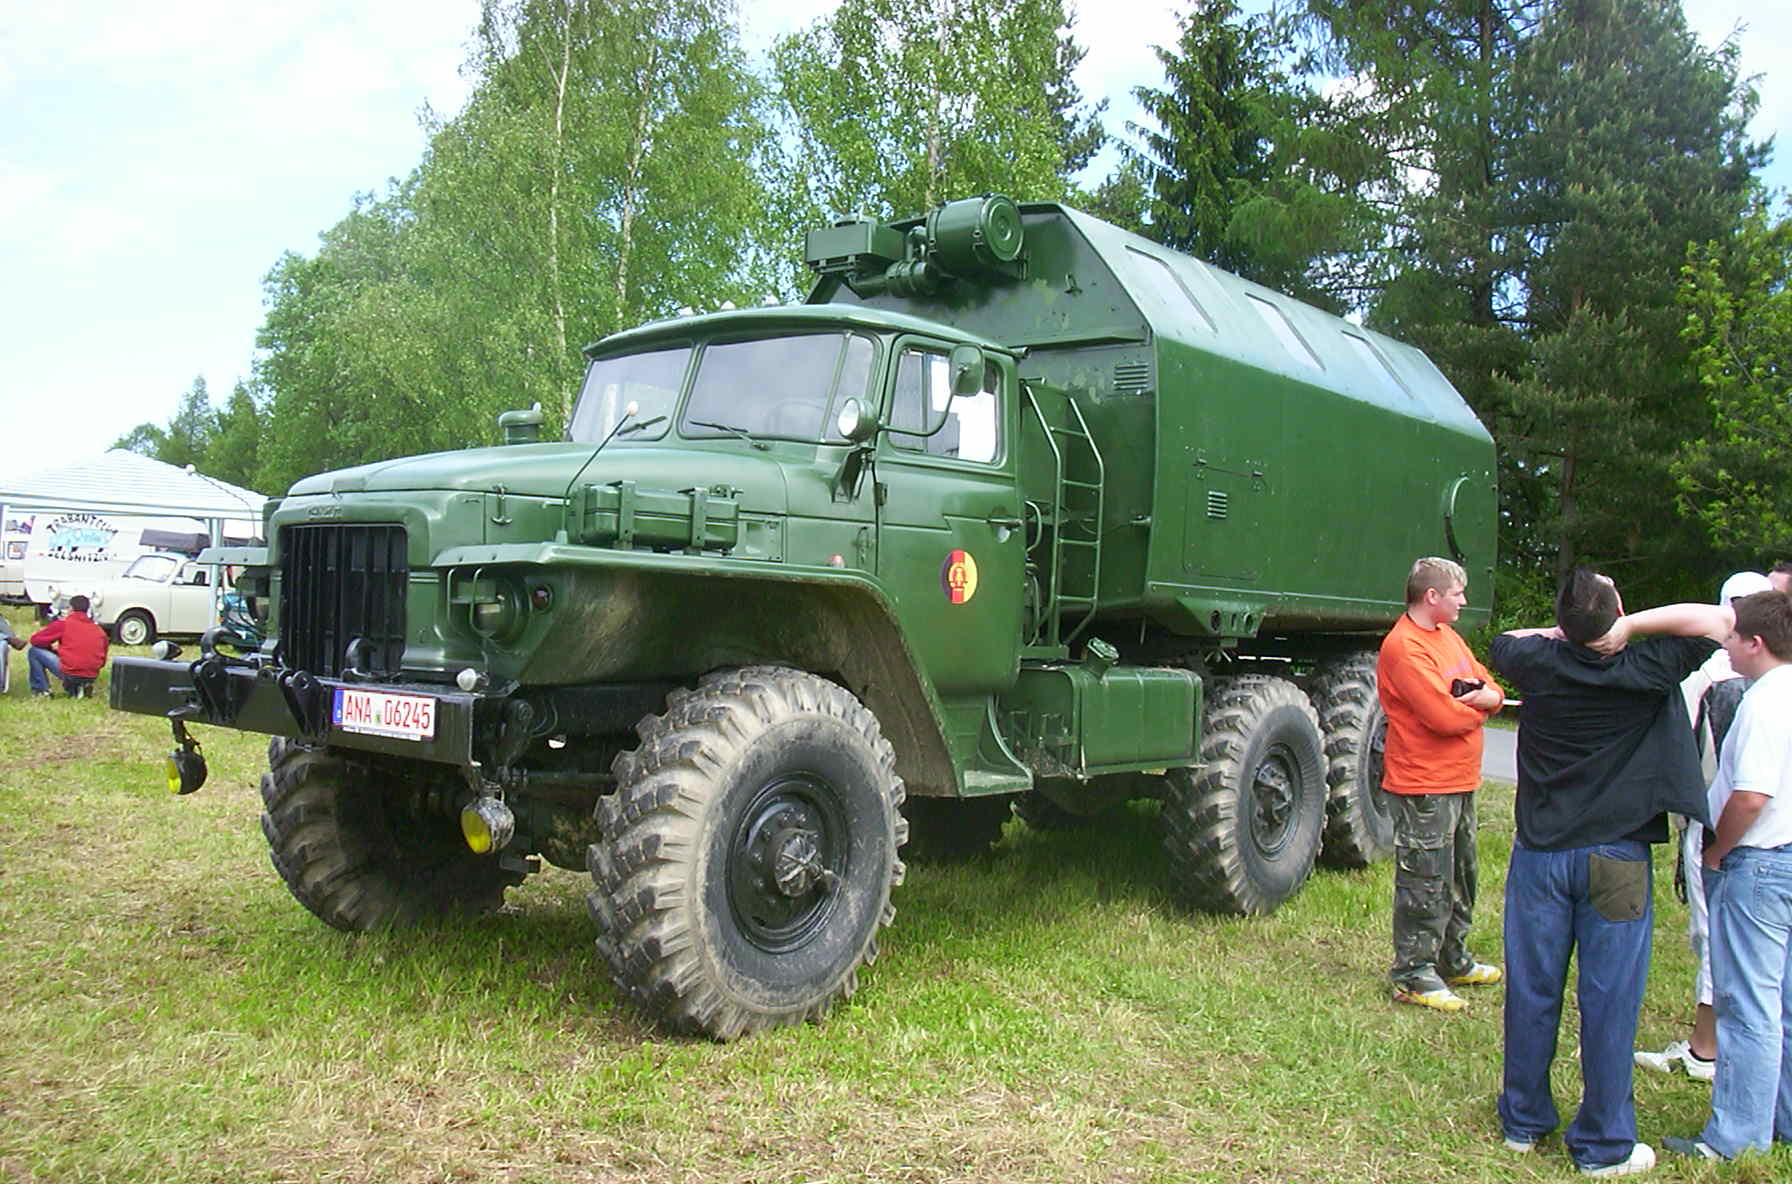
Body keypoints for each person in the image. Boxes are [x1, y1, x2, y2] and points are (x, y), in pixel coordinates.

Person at [1491, 568, 1728, 1177]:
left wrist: (1568, 632)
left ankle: (1523, 1121)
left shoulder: (1534, 662)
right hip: (1616, 857)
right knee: (1610, 998)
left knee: (1532, 988)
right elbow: (1719, 620)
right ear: (1618, 612)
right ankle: (1602, 1144)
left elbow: (1507, 639)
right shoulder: (1645, 666)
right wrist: (1630, 628)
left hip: (1540, 854)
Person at [1662, 589, 1792, 1162]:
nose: (1727, 645)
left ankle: (1736, 1140)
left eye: (1733, 636)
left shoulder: (1764, 704)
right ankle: (1780, 1117)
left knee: (1746, 1006)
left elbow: (1751, 796)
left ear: (1755, 643)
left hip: (1757, 863)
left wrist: (1718, 850)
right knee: (1782, 1002)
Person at [1636, 571, 1773, 1083]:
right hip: (1759, 829)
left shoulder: (1715, 673)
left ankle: (1707, 1048)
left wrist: (1711, 843)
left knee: (1714, 933)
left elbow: (1681, 745)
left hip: (1723, 823)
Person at [1376, 556, 1504, 1011]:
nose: (1463, 601)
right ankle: (1413, 973)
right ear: (1432, 596)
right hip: (1423, 784)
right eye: (1457, 593)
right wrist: (1480, 708)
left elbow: (1491, 687)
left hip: (1460, 779)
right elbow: (1442, 717)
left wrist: (1485, 698)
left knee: (1461, 874)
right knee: (1425, 880)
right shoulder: (1404, 647)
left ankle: (1453, 958)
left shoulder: (1448, 637)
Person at [23, 594, 109, 697]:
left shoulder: (63, 624)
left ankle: (41, 690)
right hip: (92, 675)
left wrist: (50, 649)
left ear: (71, 609)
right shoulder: (99, 631)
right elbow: (102, 661)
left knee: (34, 651)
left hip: (71, 671)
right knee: (78, 671)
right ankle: (81, 686)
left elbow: (35, 640)